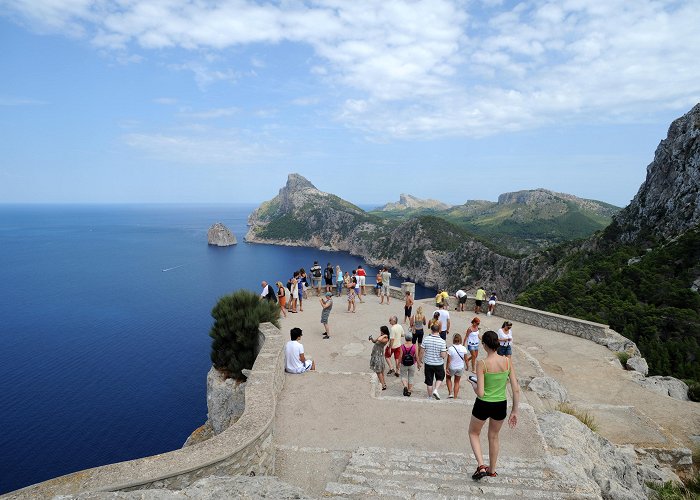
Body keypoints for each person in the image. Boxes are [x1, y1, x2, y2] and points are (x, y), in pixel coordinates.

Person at [468, 330, 520, 480]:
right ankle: (492, 470)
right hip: (500, 405)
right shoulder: (507, 362)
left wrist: (473, 385)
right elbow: (515, 388)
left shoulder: (482, 363)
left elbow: (481, 393)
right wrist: (515, 411)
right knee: (494, 436)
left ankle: (481, 465)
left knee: (473, 433)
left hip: (483, 405)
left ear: (484, 345)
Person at [418, 323, 447, 399]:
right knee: (440, 377)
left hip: (428, 363)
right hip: (438, 363)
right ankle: (436, 389)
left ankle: (430, 397)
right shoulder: (442, 341)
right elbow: (443, 355)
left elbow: (421, 352)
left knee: (429, 381)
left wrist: (419, 362)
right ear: (439, 331)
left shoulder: (426, 339)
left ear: (431, 330)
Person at [446, 333, 469, 399]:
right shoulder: (463, 348)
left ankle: (450, 393)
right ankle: (455, 397)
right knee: (457, 382)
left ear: (454, 340)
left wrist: (447, 368)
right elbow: (466, 359)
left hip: (452, 367)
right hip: (460, 367)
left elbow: (448, 360)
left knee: (448, 378)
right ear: (460, 340)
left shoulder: (451, 348)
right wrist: (467, 366)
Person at [369, 326, 390, 390]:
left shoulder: (385, 338)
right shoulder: (381, 336)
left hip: (379, 355)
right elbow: (375, 341)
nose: (380, 332)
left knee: (379, 371)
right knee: (381, 371)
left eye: (381, 331)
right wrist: (371, 338)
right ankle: (384, 383)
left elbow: (379, 340)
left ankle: (383, 385)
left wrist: (384, 335)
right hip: (376, 354)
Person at [399, 331, 417, 397]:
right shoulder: (414, 346)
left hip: (404, 363)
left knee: (403, 375)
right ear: (411, 338)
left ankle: (405, 386)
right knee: (411, 376)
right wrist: (418, 363)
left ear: (405, 338)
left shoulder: (402, 346)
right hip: (412, 363)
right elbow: (416, 356)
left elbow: (400, 356)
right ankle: (409, 390)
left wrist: (398, 364)